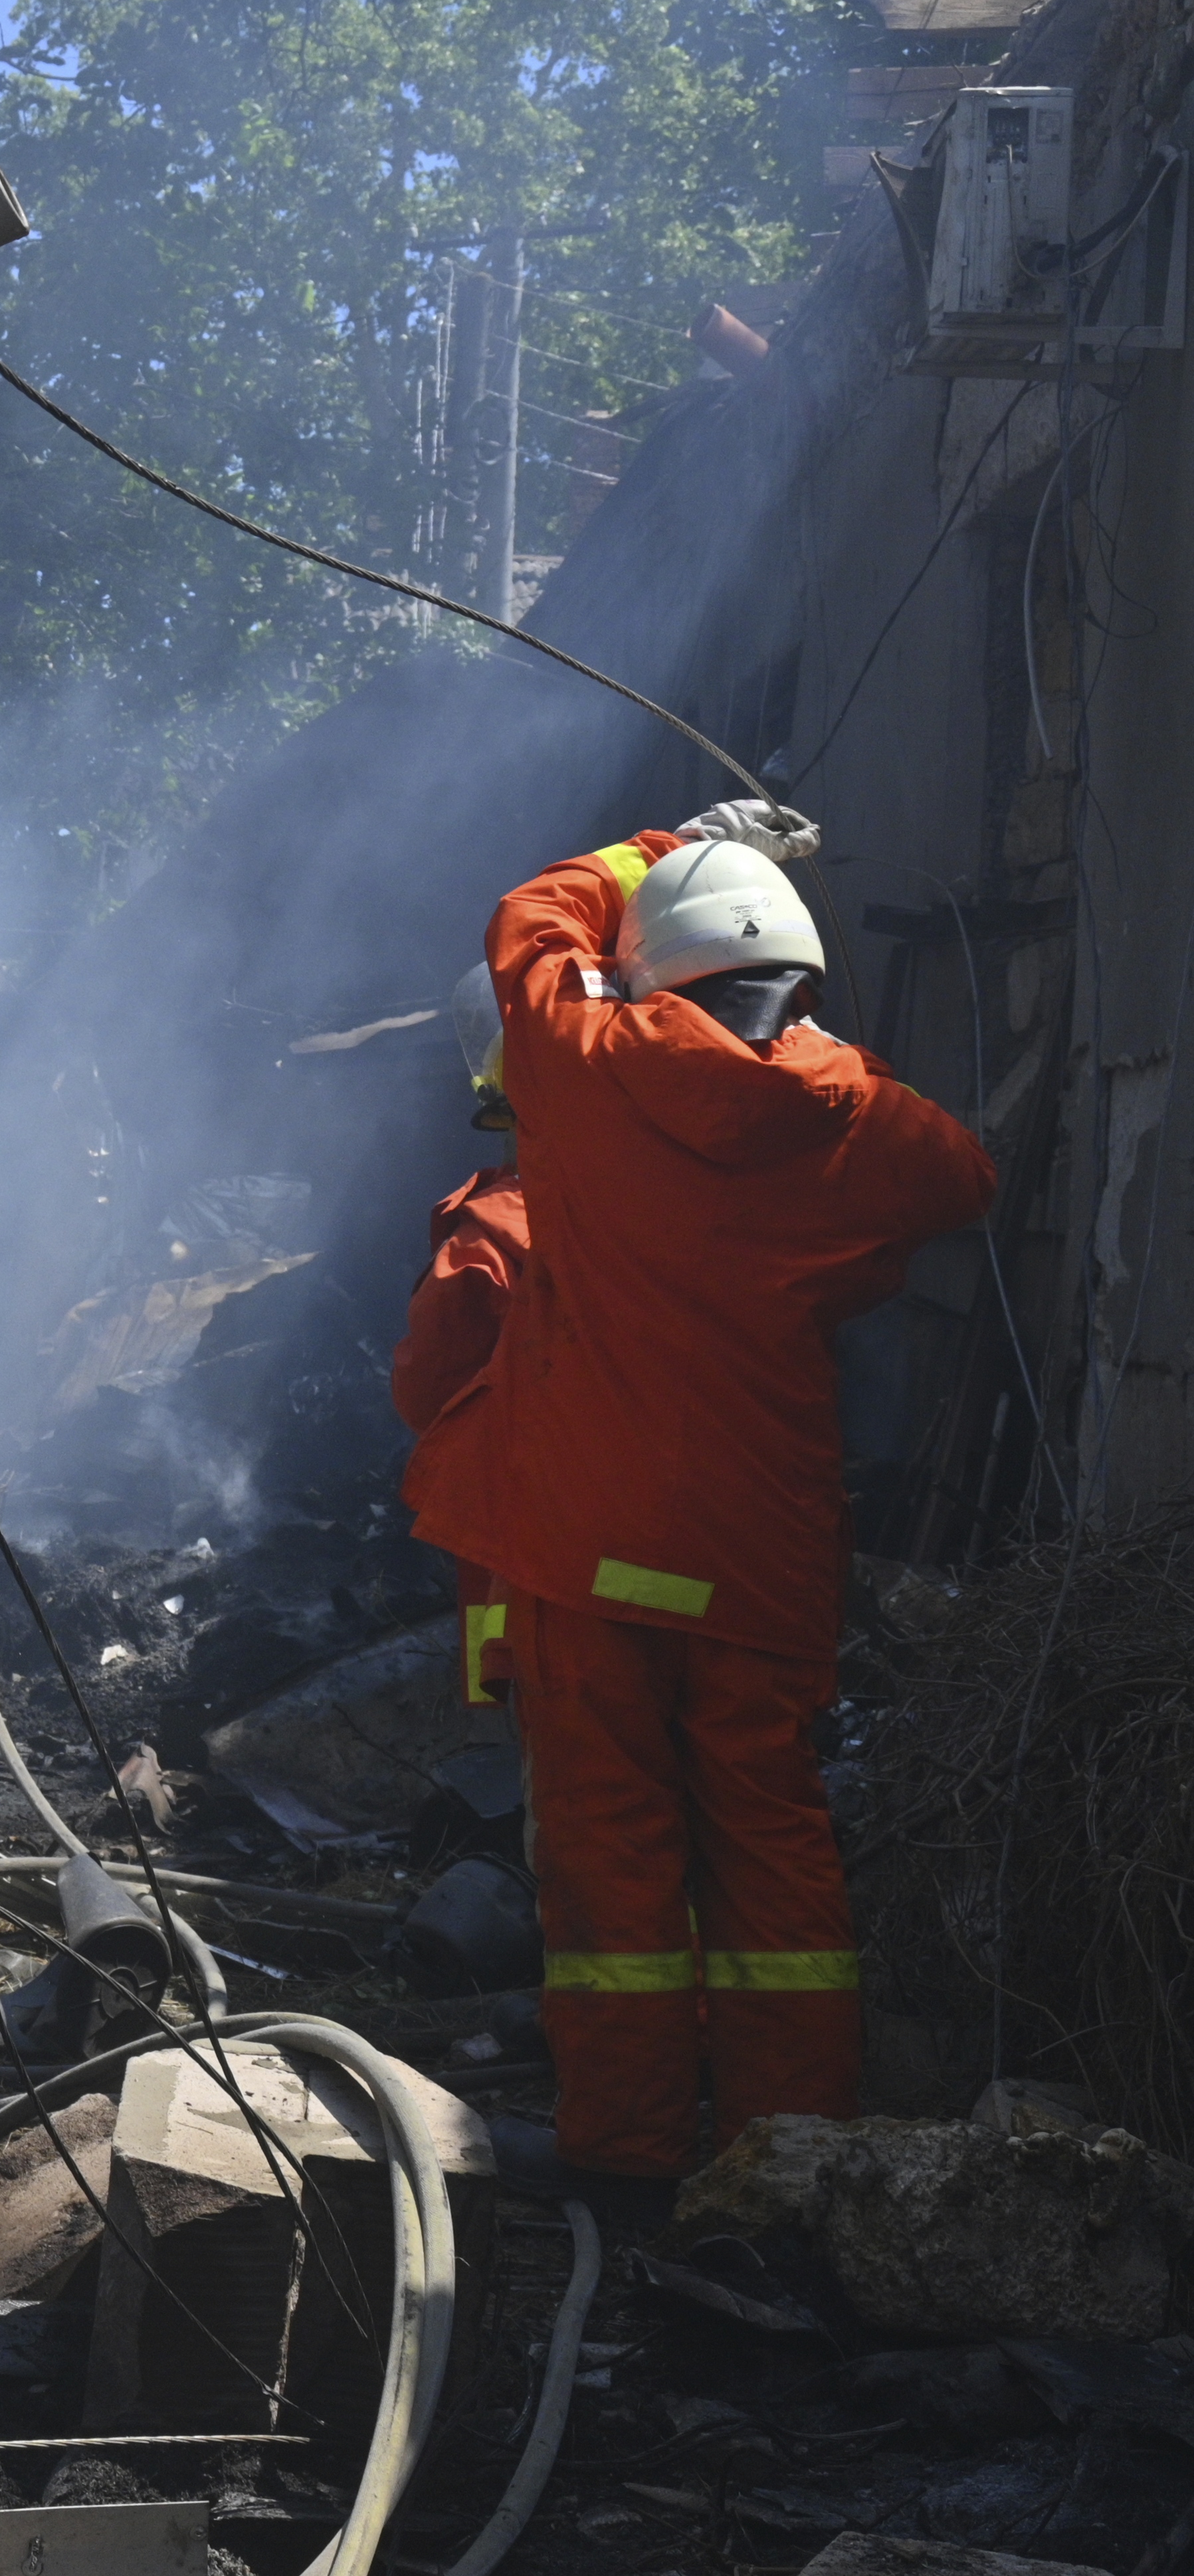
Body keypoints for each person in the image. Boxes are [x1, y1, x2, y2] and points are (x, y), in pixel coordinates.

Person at [416, 798, 996, 2198]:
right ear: (797, 980)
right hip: (754, 1549)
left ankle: (624, 2144)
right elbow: (964, 1180)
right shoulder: (853, 1111)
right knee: (769, 1831)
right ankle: (791, 2146)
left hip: (586, 1537)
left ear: (650, 973)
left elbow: (529, 920)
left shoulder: (588, 1058)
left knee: (611, 1841)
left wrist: (661, 845)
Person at [393, 963, 529, 1711]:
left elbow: (425, 1387)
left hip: (552, 1569)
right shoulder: (716, 1210)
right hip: (745, 1571)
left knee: (588, 1795)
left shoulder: (498, 1234)